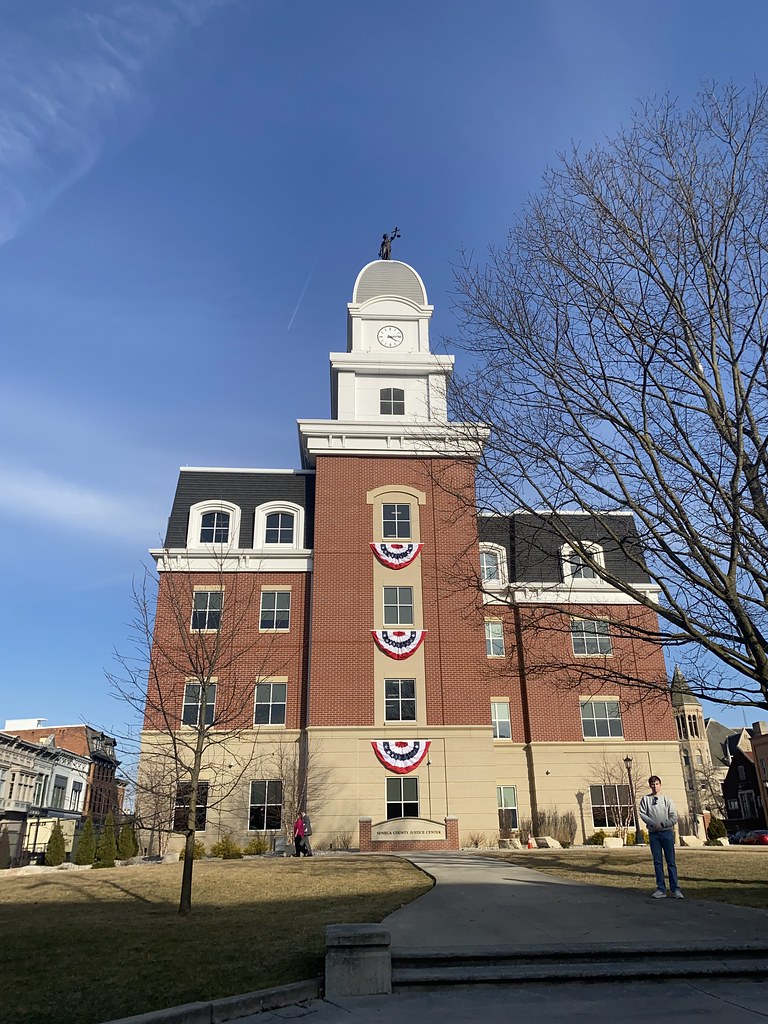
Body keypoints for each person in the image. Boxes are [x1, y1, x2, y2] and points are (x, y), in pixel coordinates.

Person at [638, 775, 683, 899]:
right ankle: (661, 889)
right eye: (652, 784)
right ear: (650, 786)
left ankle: (675, 889)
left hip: (666, 833)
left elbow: (673, 817)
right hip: (654, 834)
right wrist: (653, 824)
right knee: (658, 862)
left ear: (660, 785)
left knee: (671, 862)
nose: (655, 786)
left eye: (657, 784)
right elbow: (643, 814)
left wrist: (663, 824)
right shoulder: (646, 800)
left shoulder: (667, 800)